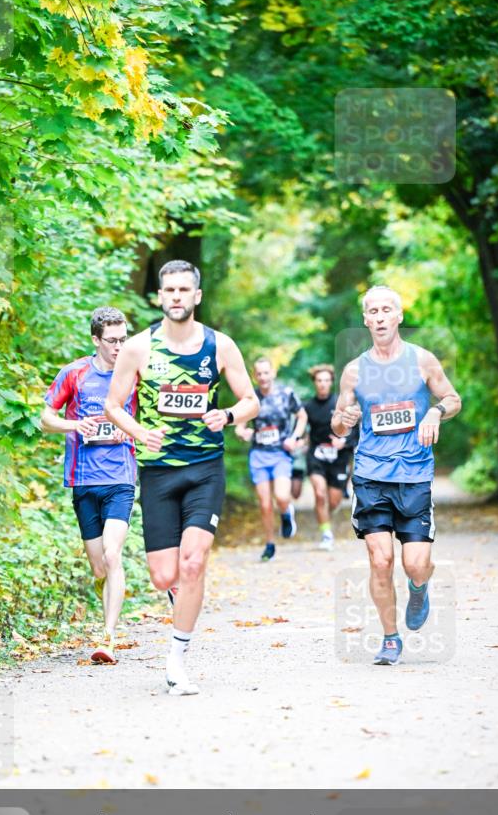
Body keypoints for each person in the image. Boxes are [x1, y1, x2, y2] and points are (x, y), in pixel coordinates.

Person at [105, 259, 259, 696]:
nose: (175, 297)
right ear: (159, 297)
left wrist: (227, 415)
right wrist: (138, 432)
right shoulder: (138, 348)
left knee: (194, 562)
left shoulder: (220, 346)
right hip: (157, 472)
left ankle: (176, 659)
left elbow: (250, 401)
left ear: (196, 296)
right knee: (162, 576)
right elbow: (113, 406)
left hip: (205, 469)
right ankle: (181, 598)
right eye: (168, 290)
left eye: (183, 290)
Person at [332, 285, 461, 666]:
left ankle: (419, 588)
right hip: (371, 474)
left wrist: (435, 413)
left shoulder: (423, 361)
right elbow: (338, 425)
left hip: (415, 473)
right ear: (366, 319)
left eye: (387, 309)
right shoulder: (354, 371)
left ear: (399, 316)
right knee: (380, 559)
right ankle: (390, 638)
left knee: (415, 563)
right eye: (373, 311)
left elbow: (452, 399)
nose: (380, 316)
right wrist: (345, 420)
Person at [41, 307, 136, 666]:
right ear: (96, 340)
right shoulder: (75, 373)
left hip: (121, 479)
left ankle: (108, 637)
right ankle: (108, 595)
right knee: (99, 567)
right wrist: (74, 426)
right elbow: (45, 418)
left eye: (124, 340)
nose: (118, 347)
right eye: (112, 341)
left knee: (113, 555)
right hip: (83, 480)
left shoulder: (134, 373)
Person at [235, 358, 306, 561]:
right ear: (254, 376)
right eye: (259, 374)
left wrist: (294, 437)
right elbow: (240, 423)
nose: (263, 377)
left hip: (280, 453)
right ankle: (269, 544)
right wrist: (243, 432)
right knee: (265, 504)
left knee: (282, 496)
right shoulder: (251, 398)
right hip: (259, 455)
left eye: (267, 373)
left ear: (273, 373)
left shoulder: (286, 394)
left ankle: (286, 512)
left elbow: (302, 416)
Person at [303, 364, 358, 551]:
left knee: (333, 501)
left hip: (339, 458)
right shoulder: (308, 407)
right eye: (319, 381)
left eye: (326, 380)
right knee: (319, 494)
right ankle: (326, 534)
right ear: (314, 383)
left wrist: (344, 442)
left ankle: (326, 512)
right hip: (317, 455)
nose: (323, 384)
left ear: (332, 382)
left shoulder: (340, 404)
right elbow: (303, 430)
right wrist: (300, 441)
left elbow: (355, 430)